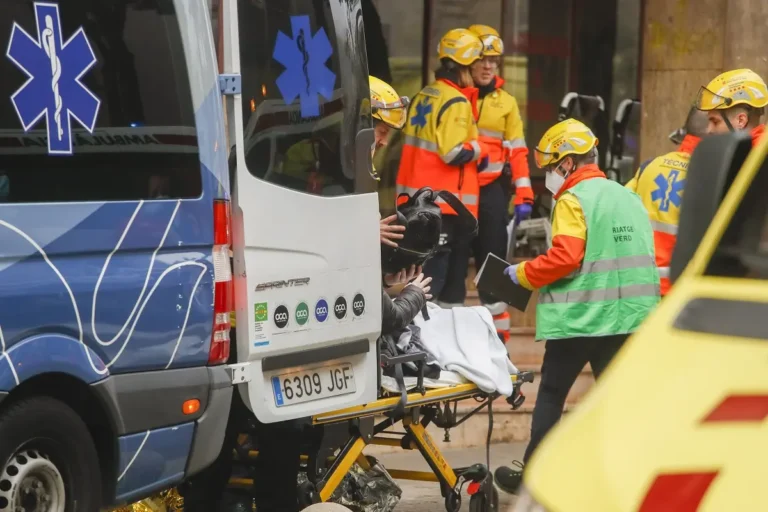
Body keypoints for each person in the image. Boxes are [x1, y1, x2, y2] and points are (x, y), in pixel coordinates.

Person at [493, 118, 660, 494]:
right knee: (617, 399)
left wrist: (521, 273)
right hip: (628, 318)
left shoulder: (573, 198)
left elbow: (566, 257)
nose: (551, 175)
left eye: (552, 166)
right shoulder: (626, 196)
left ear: (567, 163)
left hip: (582, 319)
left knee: (552, 394)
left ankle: (534, 473)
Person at [396, 28, 486, 309]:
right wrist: (479, 148)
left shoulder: (426, 94)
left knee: (423, 277)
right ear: (463, 67)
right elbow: (453, 153)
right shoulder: (456, 101)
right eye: (474, 66)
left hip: (418, 201)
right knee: (440, 284)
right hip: (444, 205)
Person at [467, 24, 533, 342]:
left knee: (495, 271)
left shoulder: (506, 102)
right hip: (454, 191)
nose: (488, 65)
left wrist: (524, 193)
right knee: (447, 273)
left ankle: (500, 346)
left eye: (493, 60)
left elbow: (518, 150)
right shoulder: (452, 97)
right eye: (481, 58)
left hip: (491, 190)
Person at [624, 106, 708, 296]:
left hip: (640, 289)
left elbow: (619, 214)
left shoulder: (648, 167)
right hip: (681, 292)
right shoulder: (712, 176)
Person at [695, 68, 767, 146]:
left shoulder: (751, 154)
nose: (709, 130)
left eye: (715, 122)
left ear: (740, 121)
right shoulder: (744, 152)